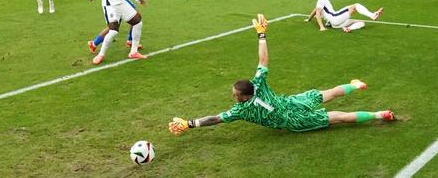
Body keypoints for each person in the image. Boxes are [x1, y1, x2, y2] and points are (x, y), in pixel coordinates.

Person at [168, 14, 394, 135]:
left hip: (294, 119)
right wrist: (261, 34)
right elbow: (263, 60)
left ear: (244, 97)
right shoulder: (259, 84)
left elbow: (216, 119)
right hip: (292, 102)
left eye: (234, 93)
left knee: (337, 117)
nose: (233, 95)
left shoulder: (242, 110)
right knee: (330, 93)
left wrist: (189, 124)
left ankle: (378, 114)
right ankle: (355, 85)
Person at [306, 0, 383, 33]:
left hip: (335, 24)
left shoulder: (323, 1)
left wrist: (308, 19)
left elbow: (315, 10)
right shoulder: (321, 0)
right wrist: (321, 27)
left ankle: (348, 28)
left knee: (361, 23)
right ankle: (373, 15)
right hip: (335, 18)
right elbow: (317, 13)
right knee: (355, 6)